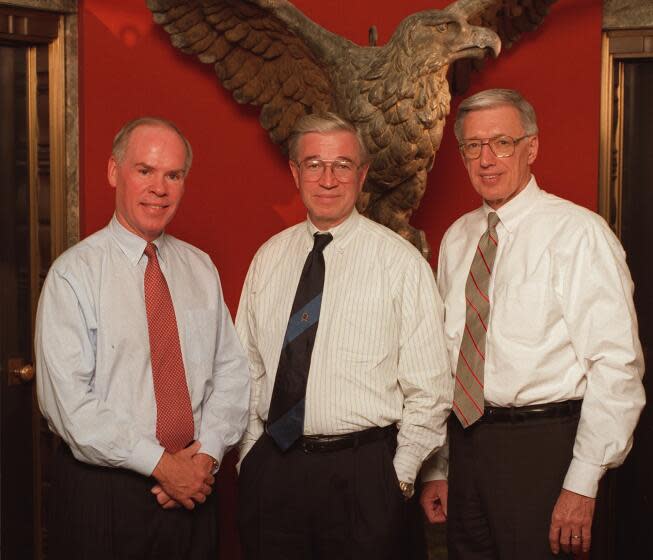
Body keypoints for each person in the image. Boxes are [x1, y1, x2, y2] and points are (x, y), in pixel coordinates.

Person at [419, 88, 645, 559]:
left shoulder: (579, 234)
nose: (487, 159)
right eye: (473, 146)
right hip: (467, 446)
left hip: (544, 450)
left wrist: (582, 481)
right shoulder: (458, 239)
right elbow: (447, 357)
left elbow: (615, 366)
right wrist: (438, 464)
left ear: (532, 147)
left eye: (501, 142)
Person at [235, 112, 452, 559]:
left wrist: (399, 478)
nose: (328, 179)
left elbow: (429, 388)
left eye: (342, 165)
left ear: (363, 173)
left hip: (364, 474)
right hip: (275, 472)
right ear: (295, 173)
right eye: (314, 164)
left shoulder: (400, 263)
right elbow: (247, 368)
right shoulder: (268, 258)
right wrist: (250, 459)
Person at [35, 117, 250, 559]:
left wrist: (204, 459)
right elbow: (73, 407)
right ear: (115, 172)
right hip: (105, 493)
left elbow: (231, 373)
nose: (160, 188)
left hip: (193, 490)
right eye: (145, 171)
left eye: (173, 175)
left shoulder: (199, 268)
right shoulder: (73, 275)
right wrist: (161, 465)